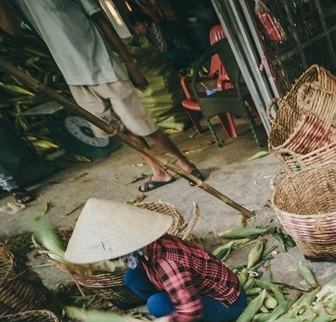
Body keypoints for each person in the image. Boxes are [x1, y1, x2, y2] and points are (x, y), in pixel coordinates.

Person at [0, 0, 202, 193]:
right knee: (119, 130)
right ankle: (158, 172)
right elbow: (14, 31)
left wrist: (129, 63)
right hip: (74, 77)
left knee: (144, 126)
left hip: (104, 67)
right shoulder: (16, 4)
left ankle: (186, 165)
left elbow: (101, 19)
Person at [63, 198, 246, 322]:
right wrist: (95, 265)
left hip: (227, 303)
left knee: (158, 305)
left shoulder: (167, 262)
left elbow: (190, 310)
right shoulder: (145, 245)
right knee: (132, 277)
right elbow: (120, 263)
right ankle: (175, 305)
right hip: (194, 290)